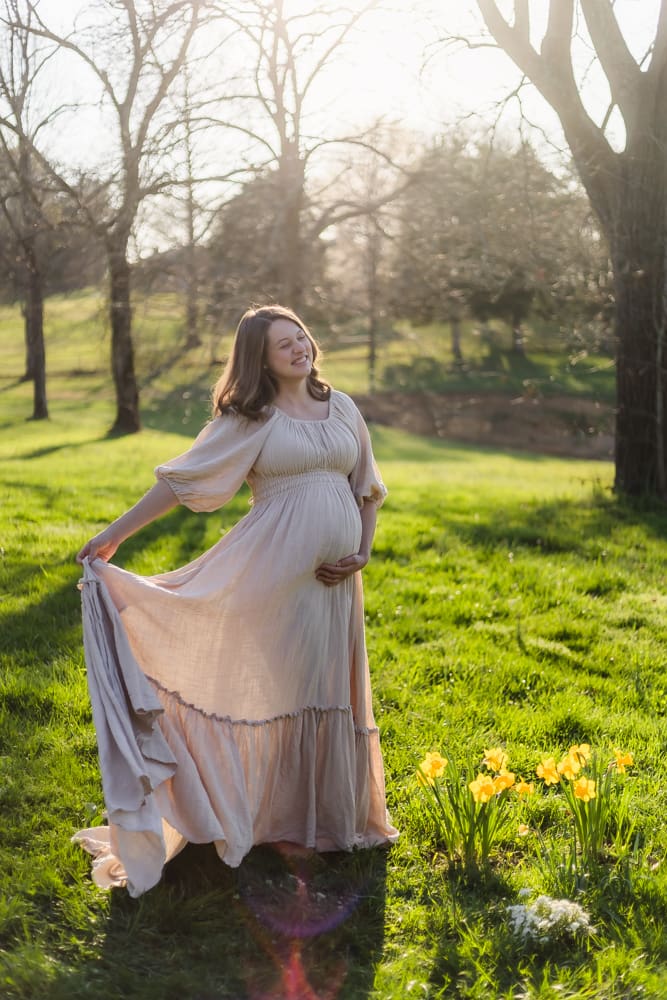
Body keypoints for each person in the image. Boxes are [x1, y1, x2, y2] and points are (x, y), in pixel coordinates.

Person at [73, 304, 398, 896]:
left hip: (335, 582)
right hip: (271, 571)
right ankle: (268, 819)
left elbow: (367, 489)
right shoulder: (253, 416)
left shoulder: (343, 406)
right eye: (283, 344)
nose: (299, 347)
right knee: (281, 688)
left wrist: (363, 551)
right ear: (261, 360)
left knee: (325, 685)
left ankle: (327, 822)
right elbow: (182, 480)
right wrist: (115, 535)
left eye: (301, 336)